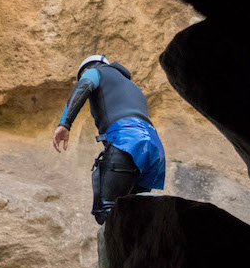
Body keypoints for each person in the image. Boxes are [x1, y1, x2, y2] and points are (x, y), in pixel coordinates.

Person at [53, 55, 166, 224]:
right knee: (133, 216)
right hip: (154, 149)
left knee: (107, 211)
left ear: (85, 70)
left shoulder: (94, 72)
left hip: (127, 140)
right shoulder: (135, 88)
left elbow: (83, 86)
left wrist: (65, 124)